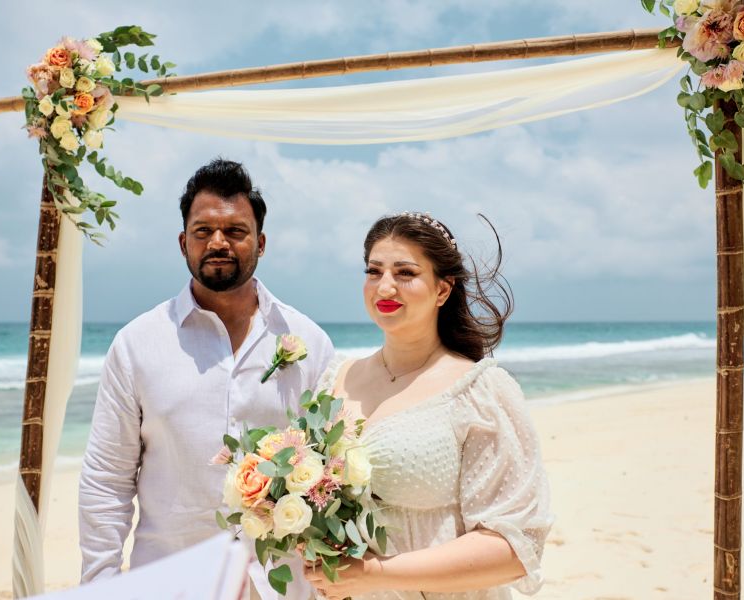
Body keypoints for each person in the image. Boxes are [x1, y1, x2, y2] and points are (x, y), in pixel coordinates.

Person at [78, 158, 334, 600]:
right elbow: (106, 478)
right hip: (169, 583)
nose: (219, 242)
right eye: (203, 231)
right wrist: (99, 584)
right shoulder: (137, 344)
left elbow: (330, 476)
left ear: (261, 242)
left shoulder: (308, 340)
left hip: (279, 586)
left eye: (235, 231)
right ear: (183, 243)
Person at [306, 212, 552, 599]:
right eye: (374, 271)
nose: (385, 286)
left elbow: (513, 548)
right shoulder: (334, 380)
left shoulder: (480, 391)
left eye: (405, 272)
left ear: (442, 289)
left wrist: (374, 573)